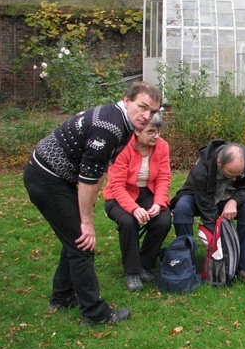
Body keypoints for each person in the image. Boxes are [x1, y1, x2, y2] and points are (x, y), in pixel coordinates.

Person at [23, 81, 162, 325]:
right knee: (82, 243)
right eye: (142, 107)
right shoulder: (110, 127)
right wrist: (87, 221)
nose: (147, 116)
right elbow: (88, 177)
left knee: (73, 238)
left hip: (57, 179)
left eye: (152, 112)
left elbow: (99, 170)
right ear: (127, 100)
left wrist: (87, 207)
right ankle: (95, 314)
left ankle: (63, 296)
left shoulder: (123, 122)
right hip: (46, 179)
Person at [171, 141, 245, 281]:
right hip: (199, 196)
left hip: (229, 197)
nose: (234, 179)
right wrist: (218, 240)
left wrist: (234, 201)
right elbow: (206, 207)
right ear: (219, 162)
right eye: (230, 174)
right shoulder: (201, 169)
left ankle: (241, 266)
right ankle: (187, 263)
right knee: (182, 208)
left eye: (238, 174)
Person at [103, 113, 171, 292]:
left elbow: (164, 178)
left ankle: (144, 264)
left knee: (163, 220)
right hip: (118, 196)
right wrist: (134, 209)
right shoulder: (123, 147)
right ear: (137, 132)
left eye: (158, 131)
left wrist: (159, 202)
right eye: (151, 132)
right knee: (128, 222)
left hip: (147, 193)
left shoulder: (162, 146)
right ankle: (132, 271)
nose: (156, 136)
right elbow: (116, 185)